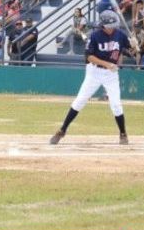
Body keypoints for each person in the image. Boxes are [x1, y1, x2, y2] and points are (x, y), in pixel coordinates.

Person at [50, 9, 135, 145]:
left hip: (111, 74)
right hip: (94, 72)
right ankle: (62, 130)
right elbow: (89, 57)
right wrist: (106, 64)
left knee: (116, 105)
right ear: (104, 25)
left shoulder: (120, 35)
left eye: (114, 26)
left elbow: (129, 49)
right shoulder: (94, 36)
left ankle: (123, 134)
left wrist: (135, 45)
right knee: (80, 101)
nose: (113, 28)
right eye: (110, 26)